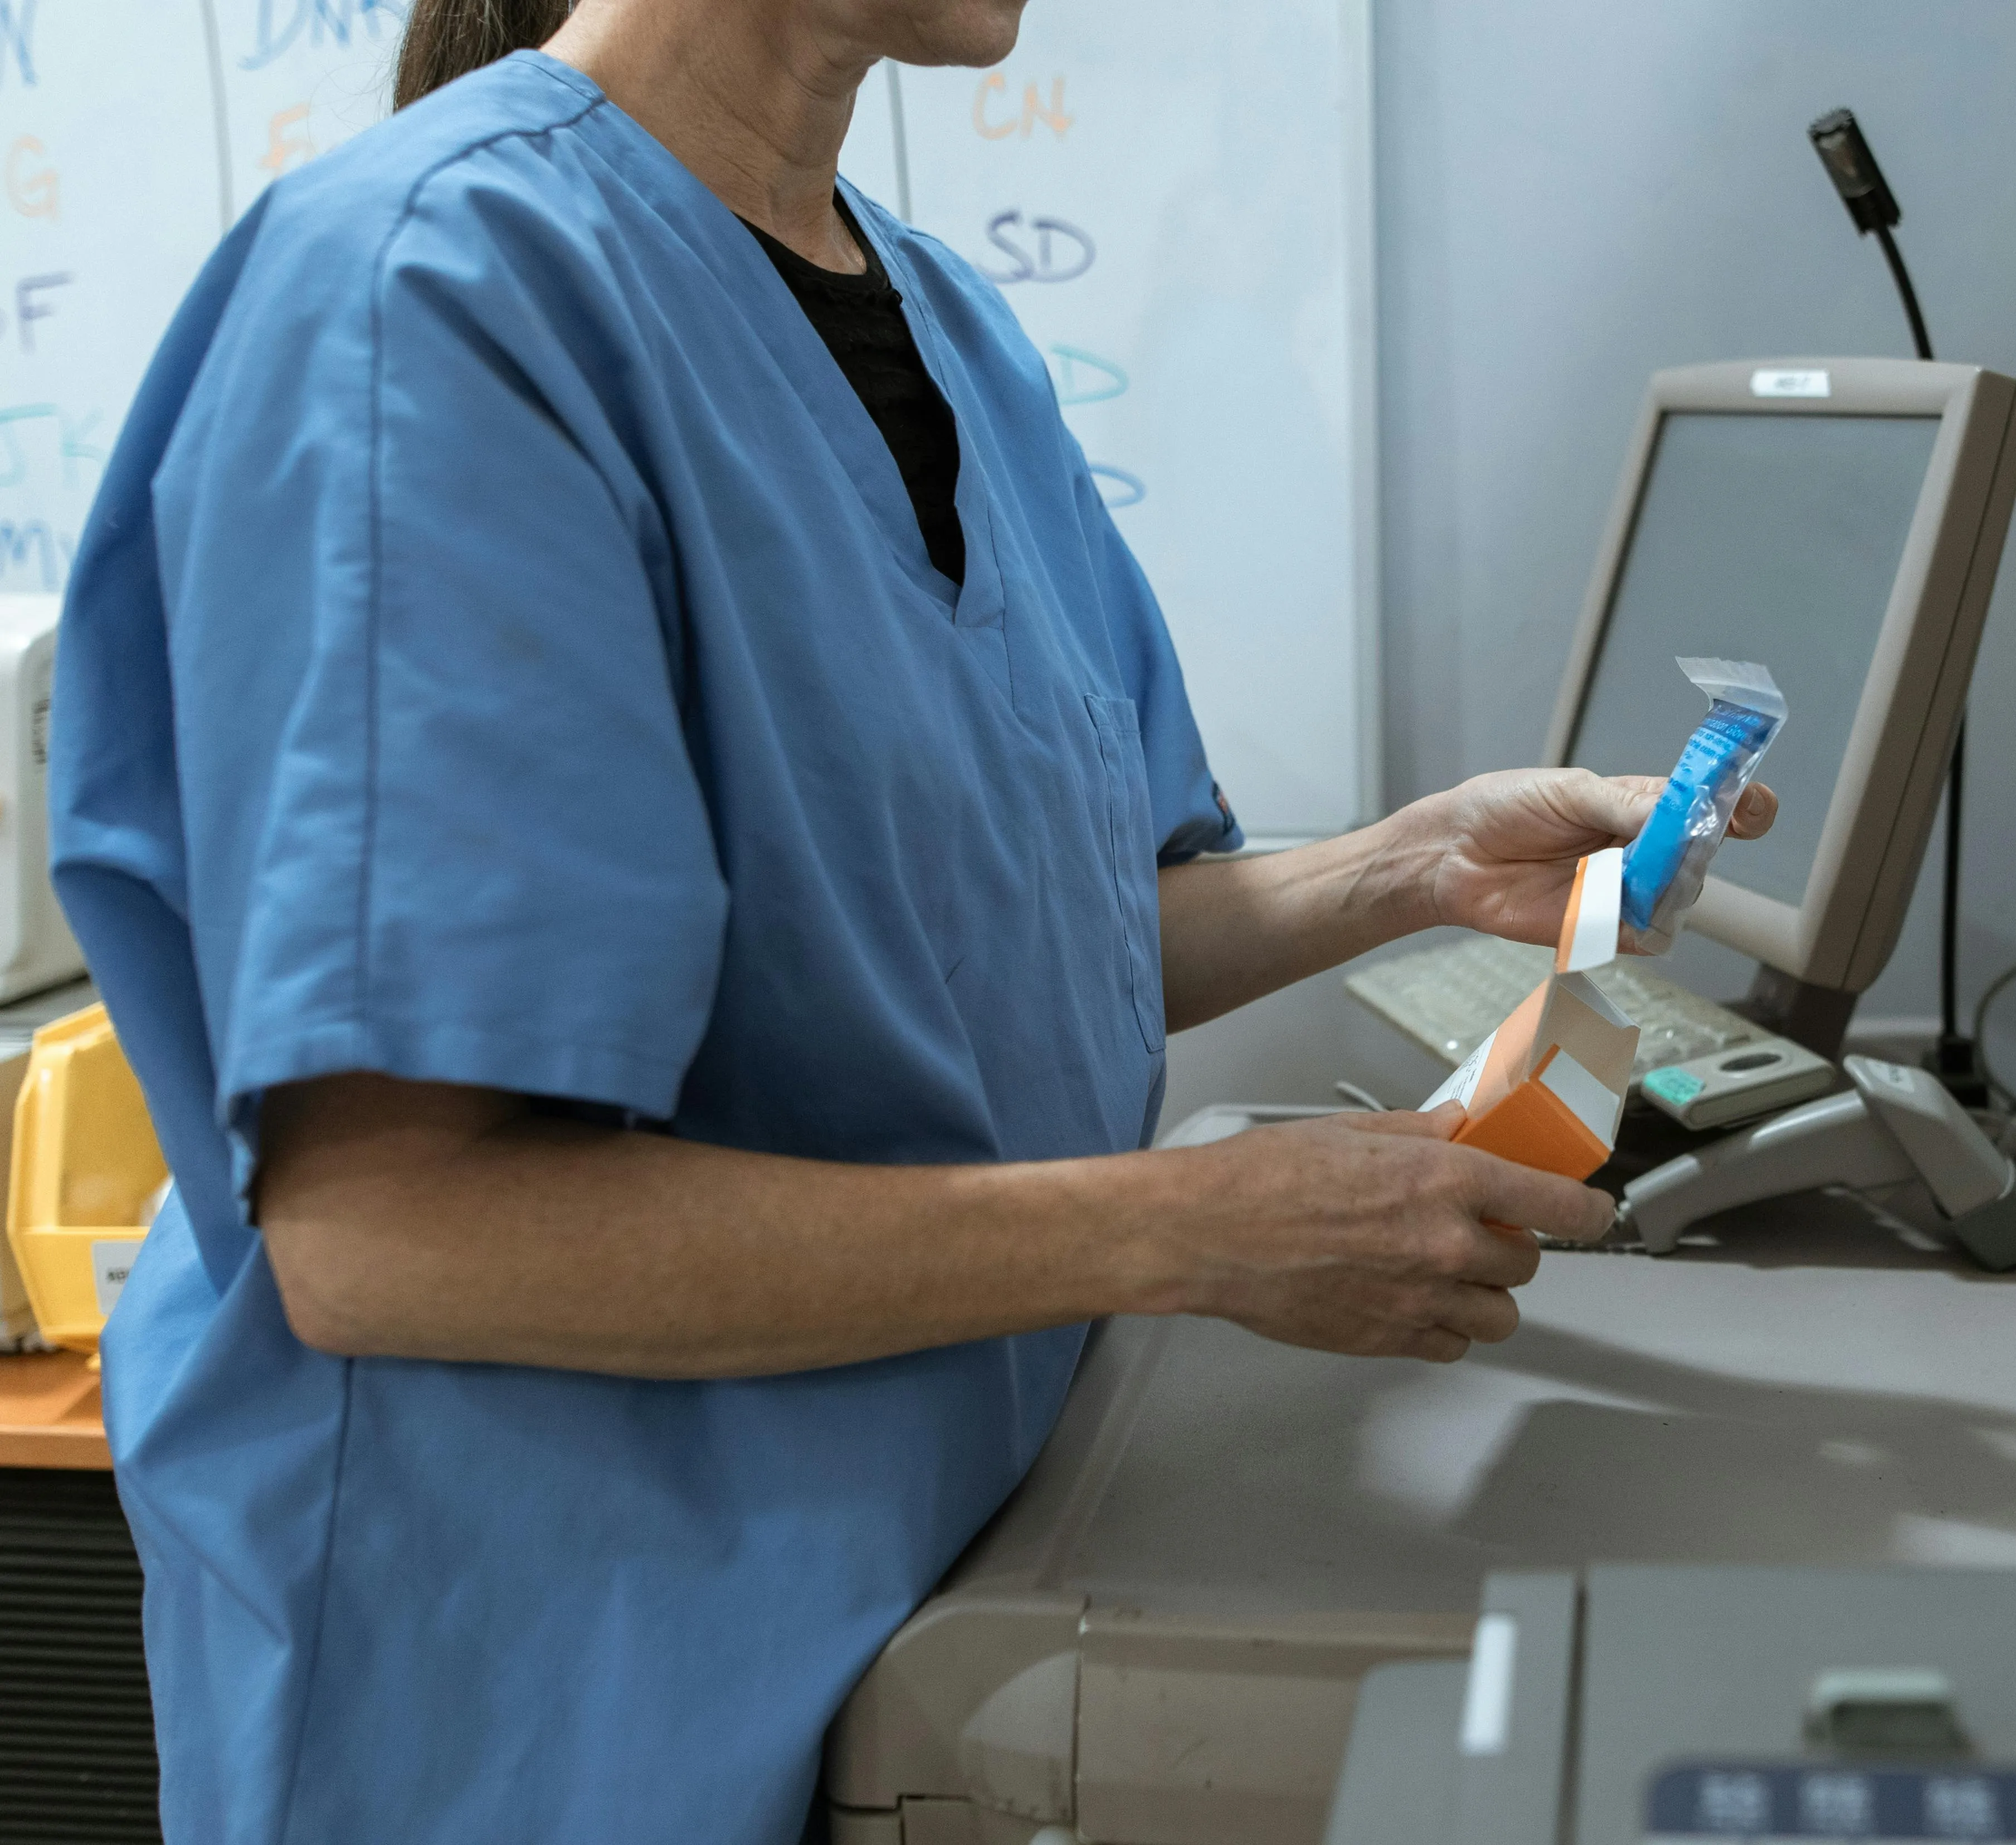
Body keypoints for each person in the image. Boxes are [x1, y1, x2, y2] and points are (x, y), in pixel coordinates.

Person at [51, 0, 1775, 1838]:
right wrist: (1188, 1228)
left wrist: (1408, 867)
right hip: (547, 1699)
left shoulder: (944, 331)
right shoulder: (426, 295)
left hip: (919, 1617)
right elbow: (397, 1234)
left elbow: (1037, 925)